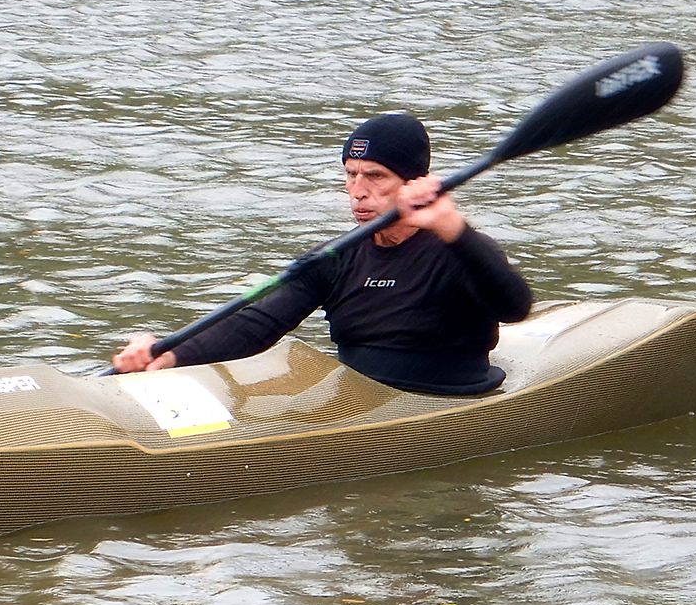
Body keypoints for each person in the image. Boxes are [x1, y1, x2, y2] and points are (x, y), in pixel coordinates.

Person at [112, 113, 533, 394]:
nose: (358, 191)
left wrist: (453, 229)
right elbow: (257, 324)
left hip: (449, 395)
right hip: (362, 398)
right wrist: (171, 355)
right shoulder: (335, 257)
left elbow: (513, 306)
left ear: (412, 184)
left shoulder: (458, 248)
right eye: (350, 175)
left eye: (375, 176)